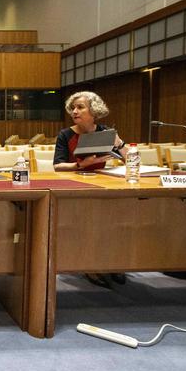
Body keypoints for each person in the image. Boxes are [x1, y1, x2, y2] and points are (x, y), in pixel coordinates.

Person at [53, 91, 128, 289]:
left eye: (80, 107)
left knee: (114, 222)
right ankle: (90, 265)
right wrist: (81, 165)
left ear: (93, 110)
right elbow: (58, 166)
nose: (74, 111)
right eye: (73, 108)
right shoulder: (66, 134)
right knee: (89, 222)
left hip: (105, 183)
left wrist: (118, 143)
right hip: (76, 185)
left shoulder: (105, 132)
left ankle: (111, 262)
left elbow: (129, 159)